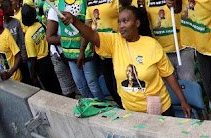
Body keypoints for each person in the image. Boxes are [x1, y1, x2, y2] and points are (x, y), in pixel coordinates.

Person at [61, 6, 191, 117]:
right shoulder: (115, 42)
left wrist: (183, 100)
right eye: (119, 22)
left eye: (125, 21)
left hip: (159, 110)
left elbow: (168, 76)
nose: (121, 26)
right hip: (131, 113)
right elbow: (92, 36)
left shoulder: (152, 45)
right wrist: (75, 21)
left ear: (137, 23)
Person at [137, 0, 194, 81]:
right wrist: (140, 8)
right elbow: (143, 22)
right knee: (169, 88)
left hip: (182, 48)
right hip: (161, 51)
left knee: (188, 81)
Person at [87, 0, 133, 104]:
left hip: (120, 50)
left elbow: (126, 2)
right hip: (102, 51)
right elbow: (90, 23)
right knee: (111, 89)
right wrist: (88, 46)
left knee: (124, 88)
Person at [45, 0, 101, 101]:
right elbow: (49, 37)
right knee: (80, 84)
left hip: (86, 50)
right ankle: (92, 106)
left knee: (92, 82)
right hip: (69, 53)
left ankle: (103, 107)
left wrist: (82, 50)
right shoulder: (57, 0)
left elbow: (88, 26)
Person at [20, 5, 61, 94]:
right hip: (49, 57)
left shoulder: (28, 36)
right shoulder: (39, 24)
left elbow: (32, 58)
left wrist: (34, 77)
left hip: (41, 64)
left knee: (50, 89)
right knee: (56, 84)